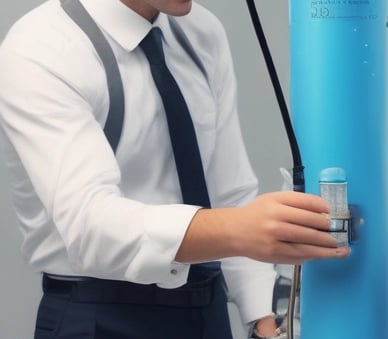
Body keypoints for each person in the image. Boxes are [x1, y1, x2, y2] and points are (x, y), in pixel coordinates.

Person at [0, 0, 347, 338]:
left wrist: (263, 319)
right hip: (97, 315)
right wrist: (238, 229)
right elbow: (91, 227)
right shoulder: (41, 46)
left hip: (206, 310)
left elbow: (229, 191)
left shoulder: (200, 31)